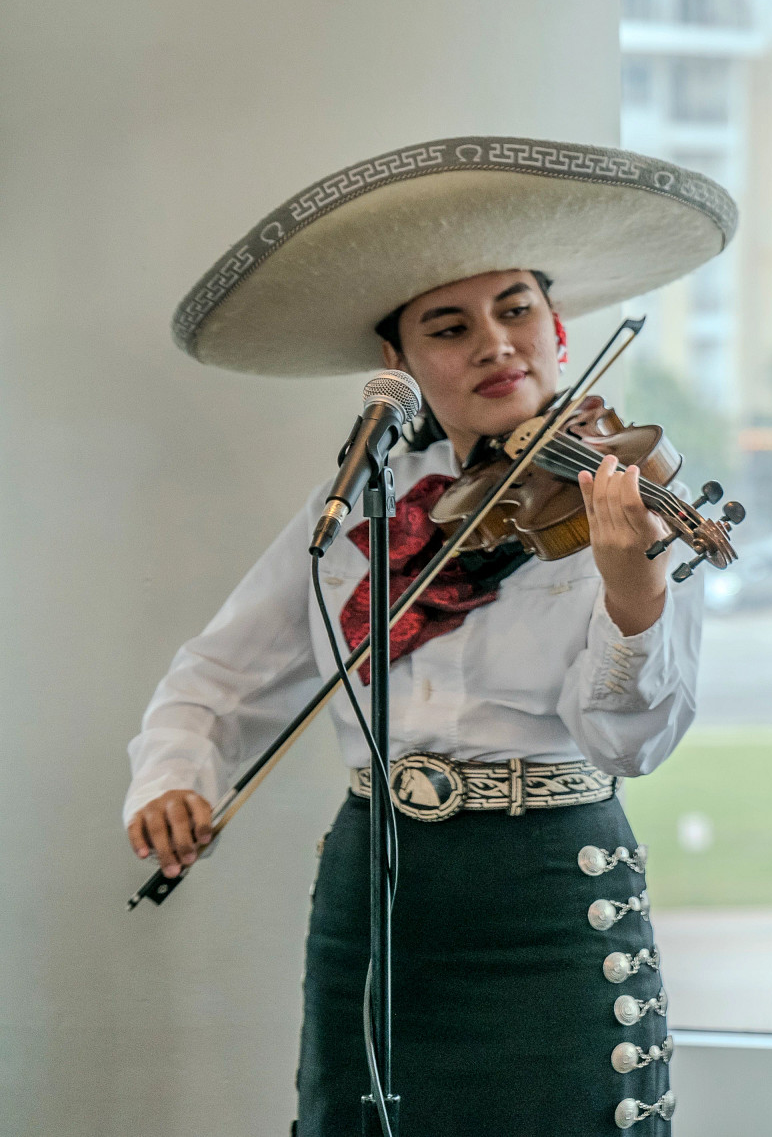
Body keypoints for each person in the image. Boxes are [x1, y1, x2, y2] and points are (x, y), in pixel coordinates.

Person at [123, 136, 737, 1134]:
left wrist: (633, 595)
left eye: (515, 311)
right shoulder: (364, 506)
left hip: (545, 893)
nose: (494, 343)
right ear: (398, 366)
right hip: (374, 889)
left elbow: (629, 743)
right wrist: (175, 772)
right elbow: (219, 671)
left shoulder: (623, 502)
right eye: (449, 328)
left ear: (559, 331)